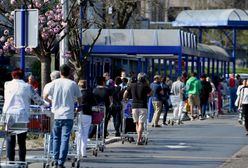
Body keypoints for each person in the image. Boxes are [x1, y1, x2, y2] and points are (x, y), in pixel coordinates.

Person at [2, 68, 44, 163]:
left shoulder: (7, 84)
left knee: (10, 140)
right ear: (23, 76)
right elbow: (37, 99)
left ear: (12, 75)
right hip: (22, 115)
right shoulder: (27, 87)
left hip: (9, 115)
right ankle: (21, 161)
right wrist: (46, 105)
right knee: (21, 141)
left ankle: (10, 161)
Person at [44, 64, 82, 168]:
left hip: (56, 114)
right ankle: (61, 162)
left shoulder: (54, 83)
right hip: (68, 115)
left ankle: (55, 160)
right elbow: (79, 97)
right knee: (65, 138)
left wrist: (52, 102)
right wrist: (78, 106)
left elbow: (45, 96)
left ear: (60, 72)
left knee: (56, 137)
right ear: (69, 73)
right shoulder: (72, 84)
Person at [123, 72, 152, 145]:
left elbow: (125, 92)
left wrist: (125, 98)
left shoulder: (132, 85)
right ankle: (139, 139)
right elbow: (151, 93)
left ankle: (139, 137)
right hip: (143, 106)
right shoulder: (145, 86)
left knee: (136, 123)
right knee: (141, 123)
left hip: (134, 106)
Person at [42, 70, 60, 154]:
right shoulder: (59, 85)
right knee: (55, 132)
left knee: (50, 132)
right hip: (57, 110)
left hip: (47, 110)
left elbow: (44, 97)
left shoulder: (47, 85)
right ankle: (54, 150)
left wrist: (50, 102)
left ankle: (50, 149)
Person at [77, 80, 96, 158]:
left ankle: (77, 151)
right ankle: (83, 152)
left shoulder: (77, 93)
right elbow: (95, 102)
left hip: (78, 113)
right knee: (85, 134)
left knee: (78, 133)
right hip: (87, 114)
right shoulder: (89, 93)